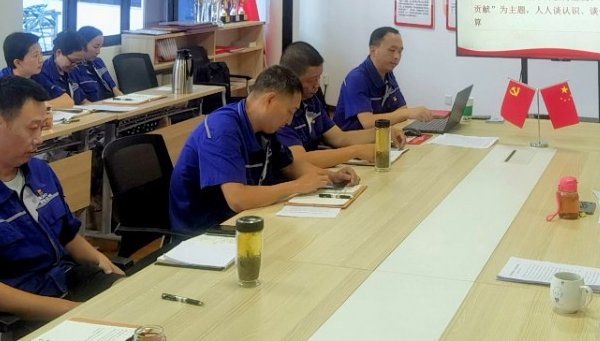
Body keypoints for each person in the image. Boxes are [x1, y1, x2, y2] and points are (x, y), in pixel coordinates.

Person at [0, 76, 122, 321]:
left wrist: (103, 263)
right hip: (24, 312)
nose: (39, 138)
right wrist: (71, 311)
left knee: (136, 301)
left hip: (66, 281)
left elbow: (67, 235)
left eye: (42, 127)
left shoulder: (40, 171)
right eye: (32, 128)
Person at [169, 65, 358, 234]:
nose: (289, 121)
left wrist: (330, 177)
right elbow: (238, 199)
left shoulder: (265, 126)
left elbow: (290, 166)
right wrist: (297, 186)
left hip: (244, 218)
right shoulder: (221, 129)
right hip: (202, 231)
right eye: (290, 111)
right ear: (270, 100)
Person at [277, 41, 402, 167]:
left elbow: (340, 138)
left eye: (318, 78)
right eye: (311, 80)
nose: (316, 85)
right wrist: (356, 151)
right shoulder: (281, 112)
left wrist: (384, 133)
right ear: (292, 78)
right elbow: (298, 160)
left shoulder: (311, 100)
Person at [332, 27, 431, 131]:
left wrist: (405, 113)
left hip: (380, 133)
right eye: (392, 50)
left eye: (400, 52)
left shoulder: (388, 73)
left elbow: (401, 108)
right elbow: (368, 122)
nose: (397, 56)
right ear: (373, 51)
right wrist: (406, 113)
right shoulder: (356, 78)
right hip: (353, 137)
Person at [0, 31, 58, 103]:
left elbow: (61, 96)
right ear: (17, 63)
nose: (41, 60)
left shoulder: (37, 76)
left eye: (41, 53)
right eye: (35, 55)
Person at [35, 30, 86, 108]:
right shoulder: (42, 73)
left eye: (79, 62)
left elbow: (82, 100)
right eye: (73, 61)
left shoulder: (71, 70)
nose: (75, 65)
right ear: (58, 53)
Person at [73, 26, 121, 101]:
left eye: (100, 47)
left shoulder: (98, 62)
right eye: (96, 47)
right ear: (82, 46)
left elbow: (114, 88)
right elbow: (81, 99)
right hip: (93, 105)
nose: (98, 52)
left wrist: (123, 100)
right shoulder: (73, 67)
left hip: (109, 102)